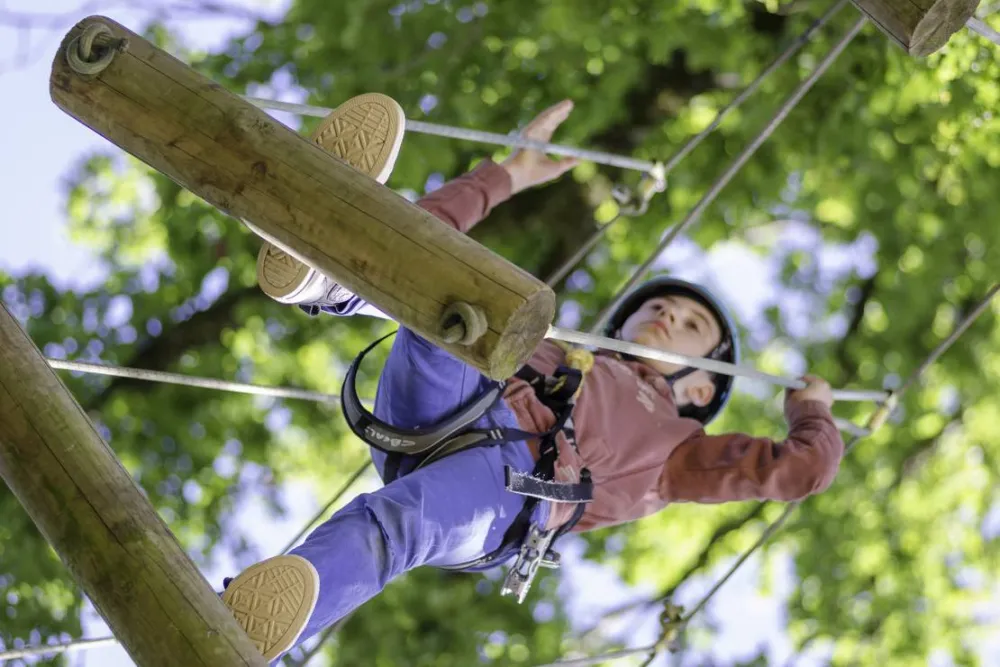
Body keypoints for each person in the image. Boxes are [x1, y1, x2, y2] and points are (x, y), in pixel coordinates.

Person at [221, 93, 844, 662]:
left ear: (702, 389)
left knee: (390, 528)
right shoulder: (552, 348)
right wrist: (507, 174)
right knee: (464, 292)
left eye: (688, 326)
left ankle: (241, 638)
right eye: (657, 307)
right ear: (622, 324)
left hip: (511, 488)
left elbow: (800, 470)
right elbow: (429, 254)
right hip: (458, 400)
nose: (667, 314)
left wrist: (812, 414)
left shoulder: (676, 453)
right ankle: (335, 267)